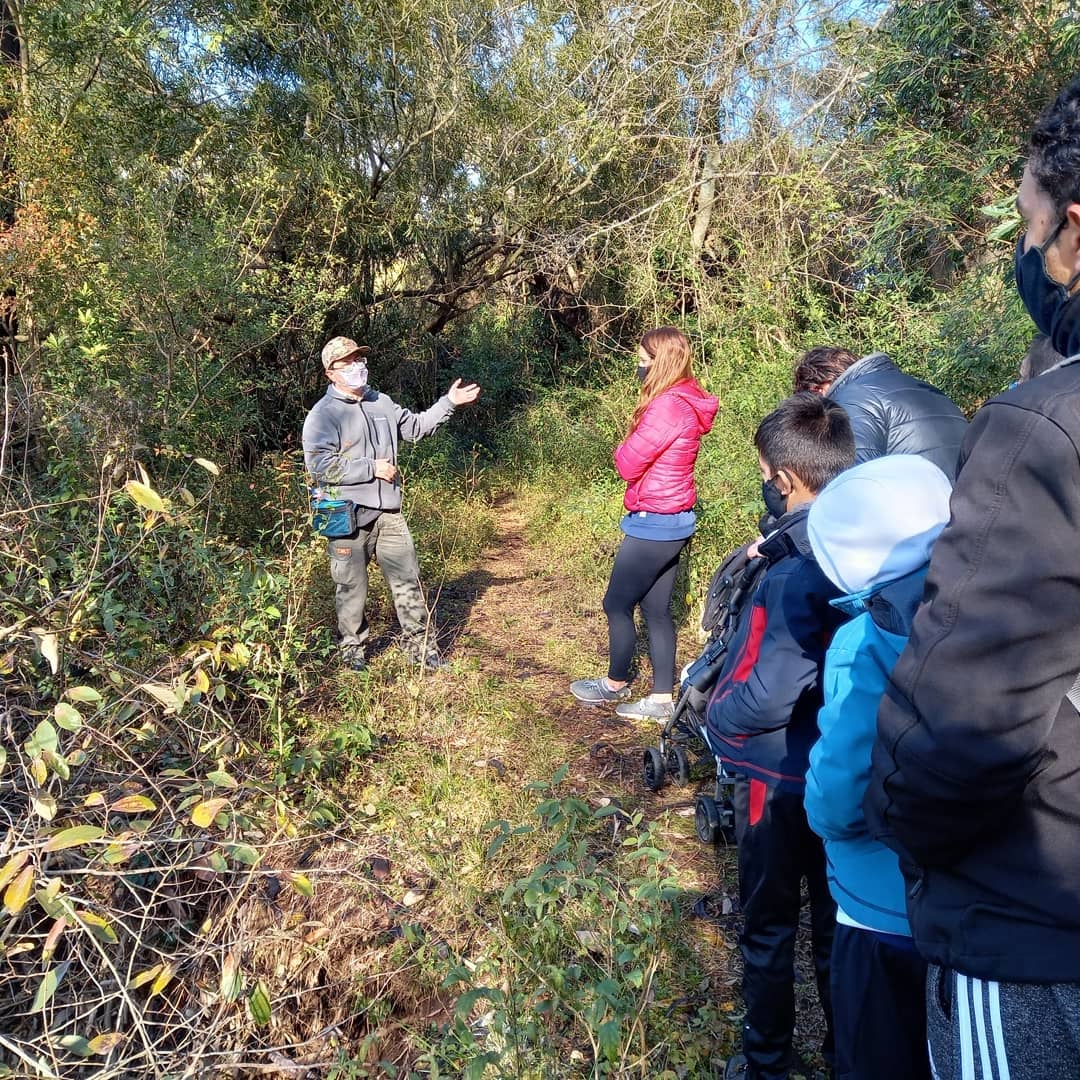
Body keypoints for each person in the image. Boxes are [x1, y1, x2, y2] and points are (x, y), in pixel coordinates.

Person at [864, 77, 1080, 1080]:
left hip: (1034, 926)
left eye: (1031, 227)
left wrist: (898, 823)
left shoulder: (1047, 432)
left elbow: (953, 731)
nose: (1026, 255)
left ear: (1072, 232)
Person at [705, 392, 855, 1080]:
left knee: (768, 926)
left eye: (765, 471)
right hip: (844, 768)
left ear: (784, 477)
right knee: (835, 925)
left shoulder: (793, 573)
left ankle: (765, 1061)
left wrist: (716, 721)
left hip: (775, 776)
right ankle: (846, 1052)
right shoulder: (859, 544)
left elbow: (768, 691)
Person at [804, 455, 953, 1080]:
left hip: (880, 909)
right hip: (977, 910)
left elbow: (838, 798)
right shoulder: (1001, 609)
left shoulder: (866, 640)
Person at [302, 336, 480, 671]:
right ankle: (352, 653)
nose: (357, 367)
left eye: (360, 360)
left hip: (389, 514)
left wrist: (449, 402)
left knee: (408, 582)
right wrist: (371, 468)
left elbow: (415, 427)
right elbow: (320, 466)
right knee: (350, 590)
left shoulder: (381, 402)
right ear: (331, 373)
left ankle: (421, 650)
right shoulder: (323, 414)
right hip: (343, 516)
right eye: (348, 363)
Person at [570, 327, 717, 722]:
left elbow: (626, 463)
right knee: (656, 609)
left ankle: (614, 683)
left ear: (660, 362)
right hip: (675, 518)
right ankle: (660, 699)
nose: (638, 365)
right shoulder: (685, 401)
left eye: (642, 359)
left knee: (616, 603)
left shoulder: (668, 406)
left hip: (654, 521)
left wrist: (624, 442)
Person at [793, 346, 967, 479]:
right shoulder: (925, 387)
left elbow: (854, 481)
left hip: (919, 516)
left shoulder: (851, 398)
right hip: (965, 508)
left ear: (818, 390)